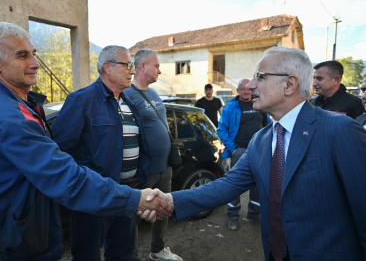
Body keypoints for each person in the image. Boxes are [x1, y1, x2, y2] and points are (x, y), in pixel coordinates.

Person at [0, 22, 171, 261]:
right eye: (22, 56)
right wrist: (134, 199)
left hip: (103, 196)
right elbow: (60, 166)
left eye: (34, 54)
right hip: (26, 229)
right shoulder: (10, 116)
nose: (35, 63)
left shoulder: (7, 102)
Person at [144, 47, 366, 261]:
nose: (250, 85)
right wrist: (170, 200)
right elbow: (227, 185)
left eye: (259, 77)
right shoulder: (261, 140)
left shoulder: (340, 130)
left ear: (289, 84)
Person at [52, 45, 154, 261]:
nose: (133, 71)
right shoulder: (81, 100)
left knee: (122, 252)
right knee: (87, 254)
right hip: (94, 197)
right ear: (107, 67)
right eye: (127, 65)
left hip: (127, 193)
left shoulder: (128, 102)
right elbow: (60, 150)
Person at [124, 49, 182, 261]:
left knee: (164, 210)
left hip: (164, 167)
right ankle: (130, 256)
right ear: (142, 67)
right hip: (144, 170)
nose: (159, 70)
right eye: (156, 66)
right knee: (135, 215)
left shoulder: (154, 93)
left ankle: (157, 250)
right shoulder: (127, 95)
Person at [217, 78, 271, 231]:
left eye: (248, 89)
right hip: (239, 151)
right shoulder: (230, 107)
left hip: (260, 150)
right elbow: (221, 129)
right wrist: (233, 149)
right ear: (238, 91)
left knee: (258, 184)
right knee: (235, 183)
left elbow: (268, 126)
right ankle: (233, 215)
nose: (246, 91)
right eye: (242, 89)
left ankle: (254, 214)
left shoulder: (260, 104)